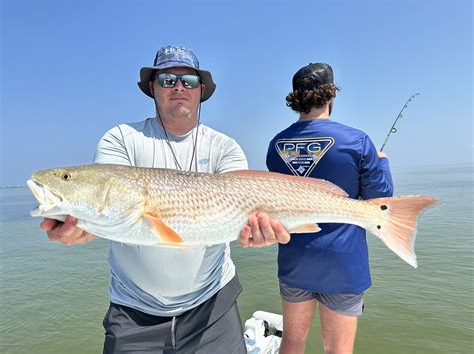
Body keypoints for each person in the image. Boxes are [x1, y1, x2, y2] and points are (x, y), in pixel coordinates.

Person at [40, 45, 290, 353]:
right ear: (152, 87)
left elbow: (241, 203)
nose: (179, 87)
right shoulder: (120, 139)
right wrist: (80, 225)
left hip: (212, 306)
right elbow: (113, 214)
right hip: (133, 312)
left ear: (202, 91)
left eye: (190, 81)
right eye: (168, 79)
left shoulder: (224, 147)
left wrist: (258, 231)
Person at [266, 63, 393, 354]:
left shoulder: (276, 145)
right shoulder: (357, 141)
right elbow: (381, 198)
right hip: (343, 262)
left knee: (293, 341)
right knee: (337, 349)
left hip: (294, 258)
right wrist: (382, 161)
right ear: (330, 96)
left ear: (295, 98)